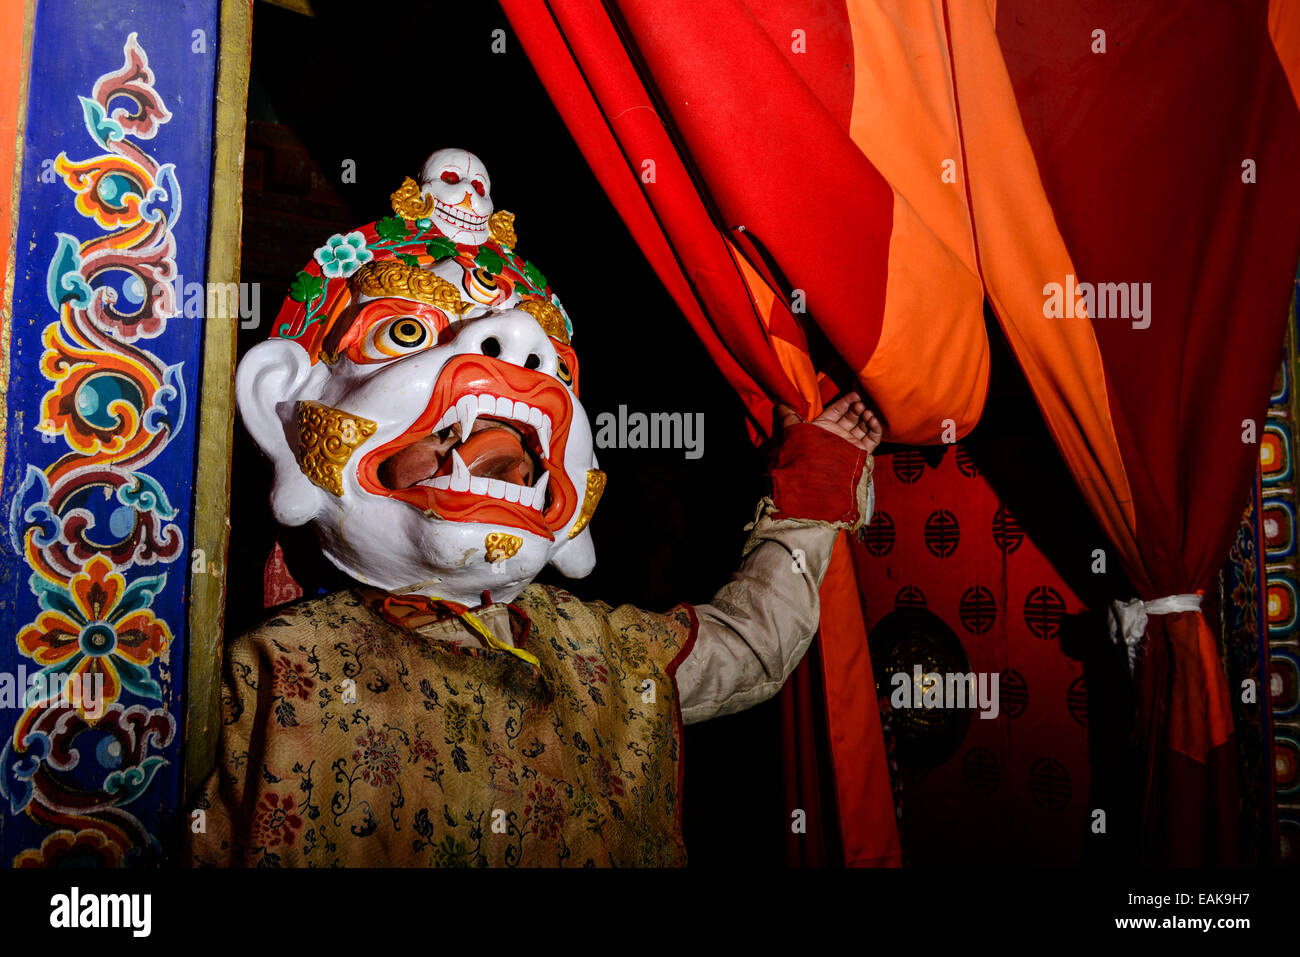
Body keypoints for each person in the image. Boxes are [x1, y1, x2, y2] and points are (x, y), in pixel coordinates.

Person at [187, 150, 883, 867]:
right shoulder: (261, 678)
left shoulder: (603, 654)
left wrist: (811, 493)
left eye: (552, 358)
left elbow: (752, 650)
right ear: (283, 411)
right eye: (407, 332)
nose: (516, 345)